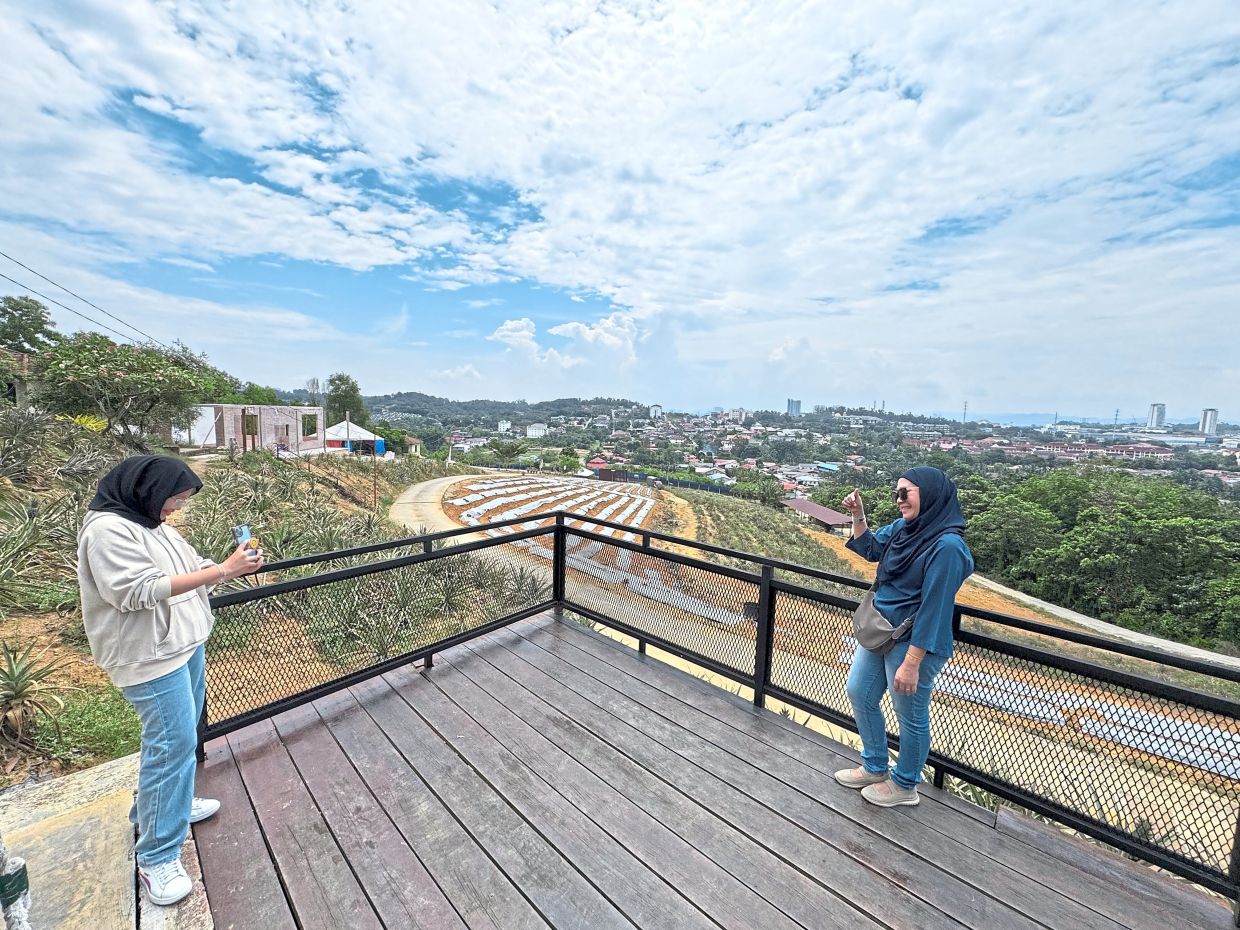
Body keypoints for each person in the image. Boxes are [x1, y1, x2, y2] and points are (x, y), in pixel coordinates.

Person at [77, 456, 264, 905]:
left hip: (182, 644)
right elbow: (135, 591)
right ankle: (157, 855)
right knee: (173, 742)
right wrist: (223, 571)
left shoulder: (154, 525)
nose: (175, 509)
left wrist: (226, 567)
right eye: (172, 499)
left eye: (181, 501)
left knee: (175, 739)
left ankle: (166, 808)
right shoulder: (107, 531)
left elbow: (190, 570)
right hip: (148, 656)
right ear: (146, 490)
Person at [834, 466, 973, 807]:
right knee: (859, 692)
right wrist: (858, 514)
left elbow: (935, 609)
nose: (899, 500)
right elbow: (870, 548)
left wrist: (912, 663)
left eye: (906, 493)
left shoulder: (948, 547)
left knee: (909, 713)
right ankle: (875, 766)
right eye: (896, 493)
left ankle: (905, 785)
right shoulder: (904, 529)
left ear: (930, 495)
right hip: (883, 632)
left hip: (915, 643)